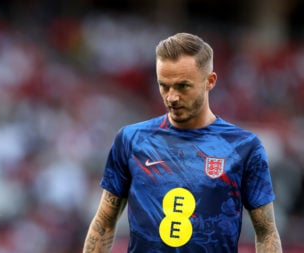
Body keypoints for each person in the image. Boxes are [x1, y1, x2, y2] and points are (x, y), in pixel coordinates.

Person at [83, 32, 282, 253]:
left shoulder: (244, 147)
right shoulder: (131, 140)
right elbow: (104, 223)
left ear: (210, 81)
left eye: (183, 86)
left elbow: (266, 232)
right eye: (164, 86)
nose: (171, 97)